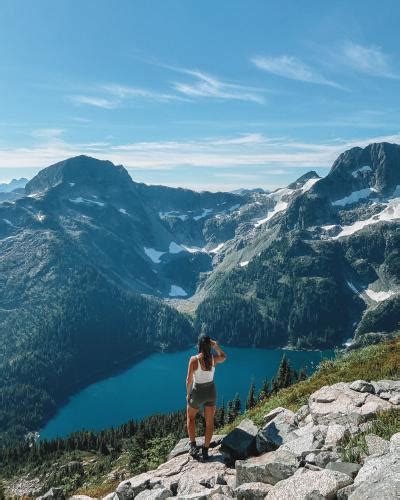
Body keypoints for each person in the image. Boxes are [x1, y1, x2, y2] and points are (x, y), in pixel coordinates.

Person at [186, 334, 227, 460]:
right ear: (209, 346)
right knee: (209, 423)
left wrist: (188, 395)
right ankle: (205, 450)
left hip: (198, 392)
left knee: (190, 417)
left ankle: (193, 446)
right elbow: (224, 357)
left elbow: (188, 380)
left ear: (199, 345)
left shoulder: (194, 360)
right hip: (211, 392)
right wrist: (216, 346)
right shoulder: (213, 359)